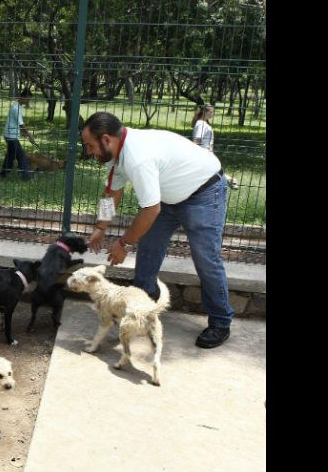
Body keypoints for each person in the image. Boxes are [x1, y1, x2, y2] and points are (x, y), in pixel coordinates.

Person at [81, 111, 234, 349]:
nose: (89, 151)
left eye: (91, 145)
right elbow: (112, 192)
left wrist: (123, 244)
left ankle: (221, 321)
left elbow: (151, 209)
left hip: (204, 192)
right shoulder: (117, 154)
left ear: (107, 139)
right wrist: (100, 227)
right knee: (149, 252)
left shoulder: (137, 157)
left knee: (206, 259)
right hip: (168, 197)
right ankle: (141, 309)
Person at [192, 104, 239, 189]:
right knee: (214, 172)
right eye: (211, 112)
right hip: (203, 154)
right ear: (205, 112)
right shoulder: (200, 124)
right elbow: (196, 140)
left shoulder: (204, 123)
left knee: (213, 172)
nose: (212, 114)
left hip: (208, 153)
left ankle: (228, 181)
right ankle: (229, 181)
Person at [0, 88, 37, 180]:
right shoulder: (16, 108)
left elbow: (16, 123)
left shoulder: (19, 106)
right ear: (23, 97)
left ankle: (3, 174)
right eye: (28, 99)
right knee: (21, 156)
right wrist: (29, 136)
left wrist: (22, 133)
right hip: (11, 136)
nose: (29, 102)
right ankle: (26, 177)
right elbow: (21, 124)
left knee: (10, 155)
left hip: (10, 134)